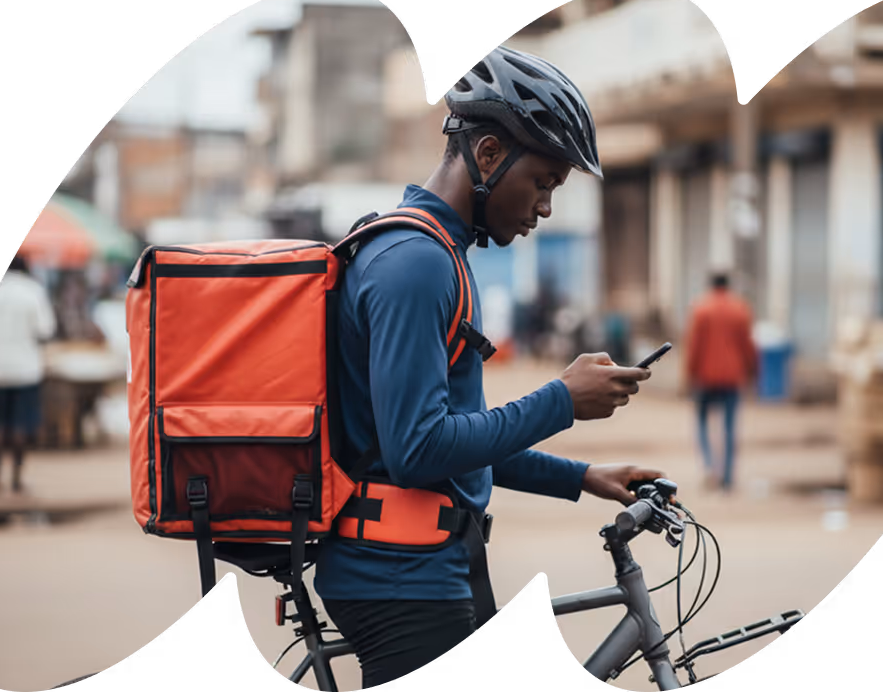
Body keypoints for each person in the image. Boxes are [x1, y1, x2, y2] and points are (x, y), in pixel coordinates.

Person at [312, 46, 670, 689]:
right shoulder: (415, 262)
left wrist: (584, 476)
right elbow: (419, 448)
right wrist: (561, 399)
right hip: (400, 583)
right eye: (542, 183)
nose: (546, 207)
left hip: (422, 569)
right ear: (487, 156)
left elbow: (455, 438)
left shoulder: (435, 250)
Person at [0, 254, 56, 494]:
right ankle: (16, 480)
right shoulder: (33, 291)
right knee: (21, 423)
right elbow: (45, 329)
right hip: (25, 368)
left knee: (0, 422)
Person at [682, 271, 758, 493]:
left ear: (710, 285)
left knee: (703, 422)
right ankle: (727, 475)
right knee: (729, 426)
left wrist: (689, 375)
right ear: (728, 285)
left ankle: (708, 466)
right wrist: (752, 371)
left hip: (705, 376)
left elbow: (693, 346)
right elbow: (748, 345)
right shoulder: (740, 309)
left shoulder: (701, 308)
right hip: (733, 376)